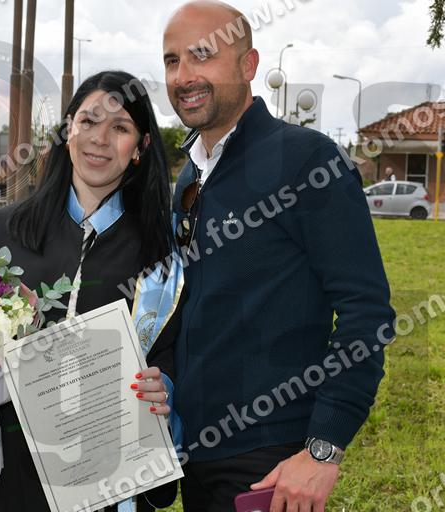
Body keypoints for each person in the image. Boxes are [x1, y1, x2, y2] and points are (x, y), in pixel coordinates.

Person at [162, 1, 396, 511]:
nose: (183, 76)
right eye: (172, 60)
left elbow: (367, 313)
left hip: (271, 461)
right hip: (196, 459)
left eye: (202, 55)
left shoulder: (307, 160)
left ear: (248, 65)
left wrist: (324, 447)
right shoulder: (189, 177)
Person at [0, 70, 178, 512]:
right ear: (67, 131)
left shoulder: (159, 257)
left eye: (120, 128)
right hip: (7, 477)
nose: (99, 139)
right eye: (88, 121)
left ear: (140, 147)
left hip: (106, 480)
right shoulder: (3, 232)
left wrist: (165, 392)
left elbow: (171, 357)